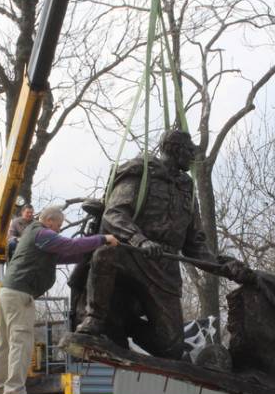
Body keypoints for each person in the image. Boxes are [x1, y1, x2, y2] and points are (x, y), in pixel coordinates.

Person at [75, 129, 245, 359]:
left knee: (171, 347)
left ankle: (125, 324)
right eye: (188, 151)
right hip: (132, 253)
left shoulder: (187, 189)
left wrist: (220, 266)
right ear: (175, 150)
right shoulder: (141, 172)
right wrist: (140, 240)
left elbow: (194, 243)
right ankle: (95, 319)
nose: (192, 157)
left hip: (164, 267)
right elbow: (114, 215)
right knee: (105, 254)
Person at [0, 205, 118, 394]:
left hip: (7, 291)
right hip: (20, 293)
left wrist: (90, 251)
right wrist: (103, 238)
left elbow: (64, 255)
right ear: (49, 221)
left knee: (4, 342)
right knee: (21, 341)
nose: (59, 229)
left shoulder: (32, 236)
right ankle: (14, 390)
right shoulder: (41, 233)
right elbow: (70, 246)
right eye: (58, 225)